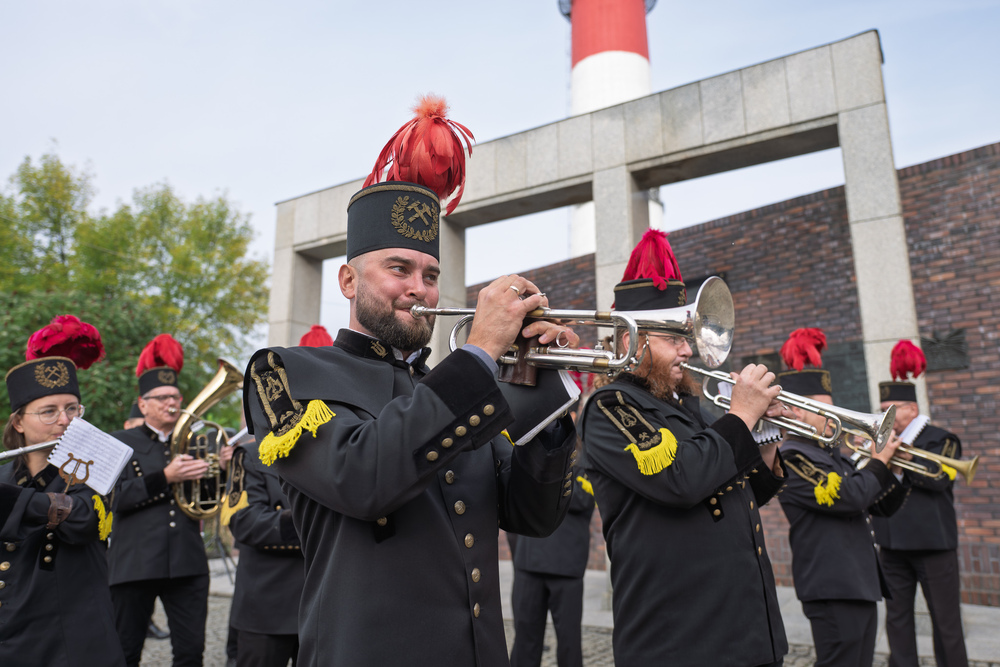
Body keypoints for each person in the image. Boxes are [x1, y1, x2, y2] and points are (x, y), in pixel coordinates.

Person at [243, 96, 578, 667]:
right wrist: (479, 356)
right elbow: (364, 477)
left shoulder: (449, 385)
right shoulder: (286, 372)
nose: (419, 288)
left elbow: (533, 517)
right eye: (398, 269)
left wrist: (547, 401)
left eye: (430, 275)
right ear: (348, 280)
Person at [580, 229, 789, 667]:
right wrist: (742, 418)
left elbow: (737, 494)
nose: (687, 349)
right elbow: (682, 479)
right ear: (630, 341)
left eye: (686, 337)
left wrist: (765, 438)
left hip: (744, 631)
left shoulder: (686, 405)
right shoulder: (611, 406)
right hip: (680, 641)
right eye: (674, 338)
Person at [775, 328, 909, 667]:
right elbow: (849, 497)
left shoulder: (833, 454)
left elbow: (881, 505)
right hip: (831, 585)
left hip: (858, 582)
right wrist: (878, 462)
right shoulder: (793, 457)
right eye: (827, 410)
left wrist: (894, 469)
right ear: (799, 412)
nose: (837, 419)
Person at [0, 315, 126, 666]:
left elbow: (84, 520)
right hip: (13, 636)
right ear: (19, 422)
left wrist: (12, 500)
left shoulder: (95, 467)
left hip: (73, 639)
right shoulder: (5, 473)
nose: (65, 419)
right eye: (49, 411)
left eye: (72, 408)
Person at [108, 333, 212, 667]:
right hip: (134, 564)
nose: (172, 403)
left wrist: (218, 468)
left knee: (191, 651)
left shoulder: (193, 441)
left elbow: (206, 502)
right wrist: (165, 477)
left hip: (187, 563)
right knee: (125, 650)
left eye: (176, 396)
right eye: (162, 397)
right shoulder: (120, 441)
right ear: (143, 404)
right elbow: (115, 498)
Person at [873, 340, 970, 667]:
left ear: (912, 410)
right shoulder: (881, 443)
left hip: (934, 546)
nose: (884, 415)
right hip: (891, 544)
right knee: (897, 621)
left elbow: (940, 479)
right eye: (882, 408)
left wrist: (899, 458)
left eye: (892, 408)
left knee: (946, 622)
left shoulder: (942, 439)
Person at [510, 448, 595, 667]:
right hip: (529, 563)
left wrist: (545, 480)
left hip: (567, 567)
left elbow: (583, 500)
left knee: (569, 643)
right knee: (524, 642)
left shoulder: (587, 459)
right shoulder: (530, 453)